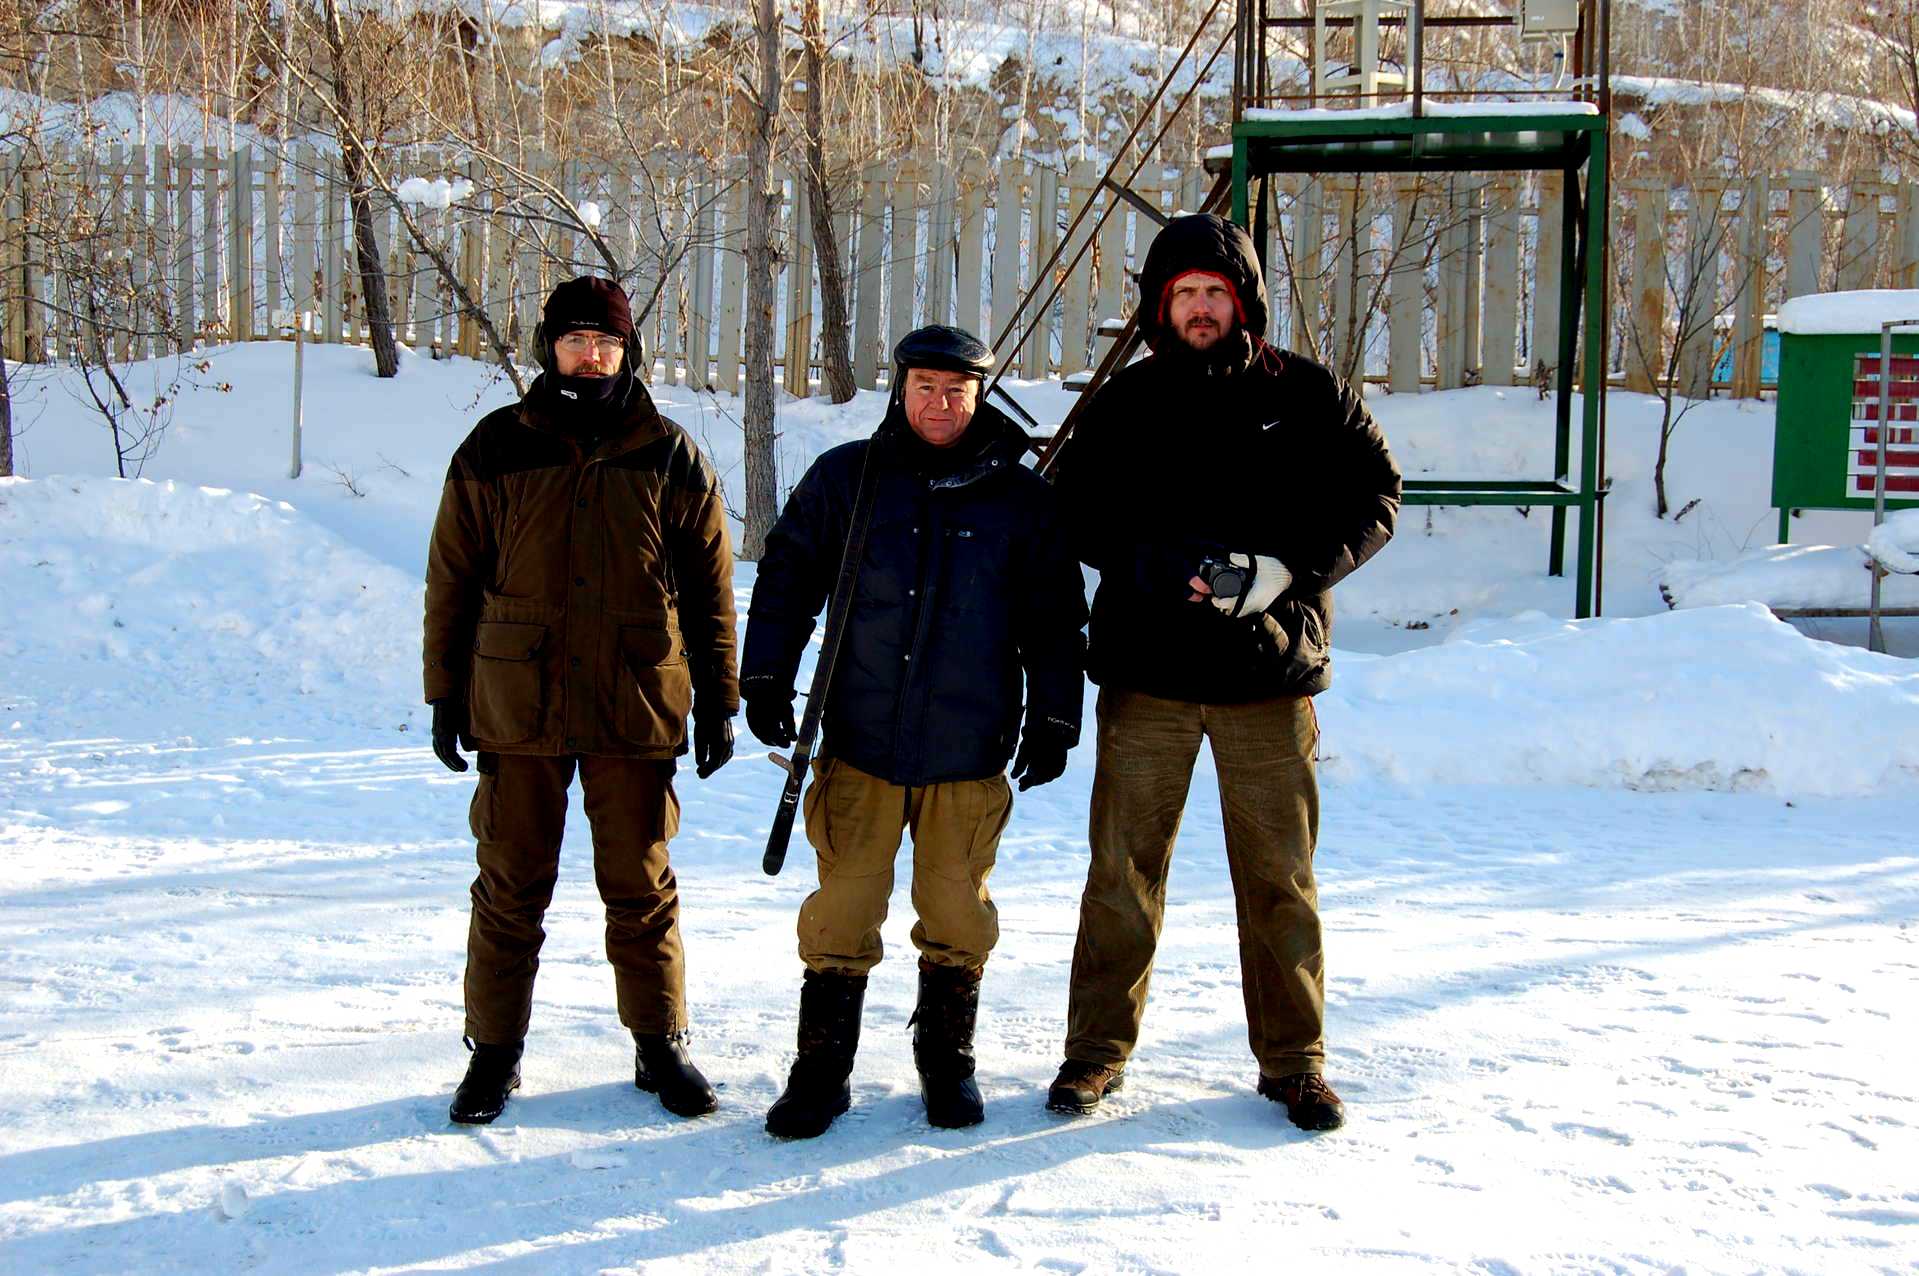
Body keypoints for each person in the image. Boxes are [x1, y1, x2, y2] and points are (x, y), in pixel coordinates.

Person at [1046, 214, 1401, 1131]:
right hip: (1147, 675)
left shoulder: (1308, 393)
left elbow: (1375, 495)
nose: (1200, 308)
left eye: (1215, 291)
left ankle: (1294, 1062)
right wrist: (1149, 564)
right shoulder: (1125, 402)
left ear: (1243, 300)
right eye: (1184, 294)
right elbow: (1070, 508)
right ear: (1158, 306)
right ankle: (1094, 1052)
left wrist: (1289, 570)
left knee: (1279, 879)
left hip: (1268, 677)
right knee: (1121, 874)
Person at [741, 325, 1087, 1138]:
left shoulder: (1020, 497)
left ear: (979, 395)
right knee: (840, 910)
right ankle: (820, 1071)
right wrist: (763, 677)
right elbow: (787, 580)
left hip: (968, 747)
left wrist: (1055, 716)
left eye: (956, 391)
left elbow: (1053, 618)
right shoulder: (848, 478)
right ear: (899, 391)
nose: (939, 404)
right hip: (859, 740)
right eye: (924, 387)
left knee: (957, 913)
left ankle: (945, 1060)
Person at [423, 275, 739, 1125]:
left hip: (633, 700)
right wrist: (445, 693)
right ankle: (493, 1052)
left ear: (627, 350)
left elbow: (709, 591)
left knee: (640, 886)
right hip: (517, 700)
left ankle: (659, 1043)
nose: (590, 355)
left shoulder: (668, 452)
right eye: (575, 340)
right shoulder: (497, 446)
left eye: (605, 341)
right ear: (548, 347)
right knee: (509, 886)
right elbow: (451, 578)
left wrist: (719, 698)